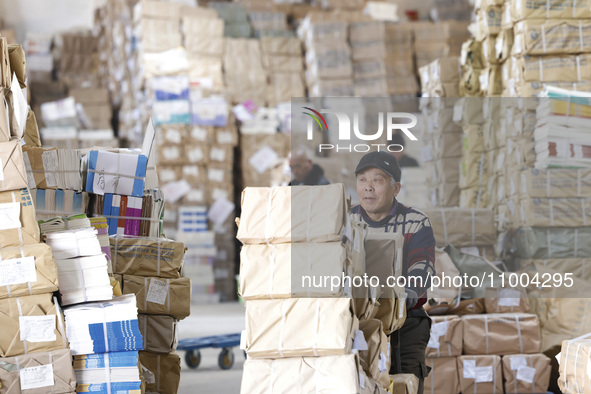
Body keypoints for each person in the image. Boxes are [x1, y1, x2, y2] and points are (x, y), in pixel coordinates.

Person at [350, 151, 435, 393]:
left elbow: (423, 266)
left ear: (395, 187)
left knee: (404, 384)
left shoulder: (415, 221)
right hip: (357, 323)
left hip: (405, 323)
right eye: (362, 180)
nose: (368, 187)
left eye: (377, 180)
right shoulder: (346, 221)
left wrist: (401, 296)